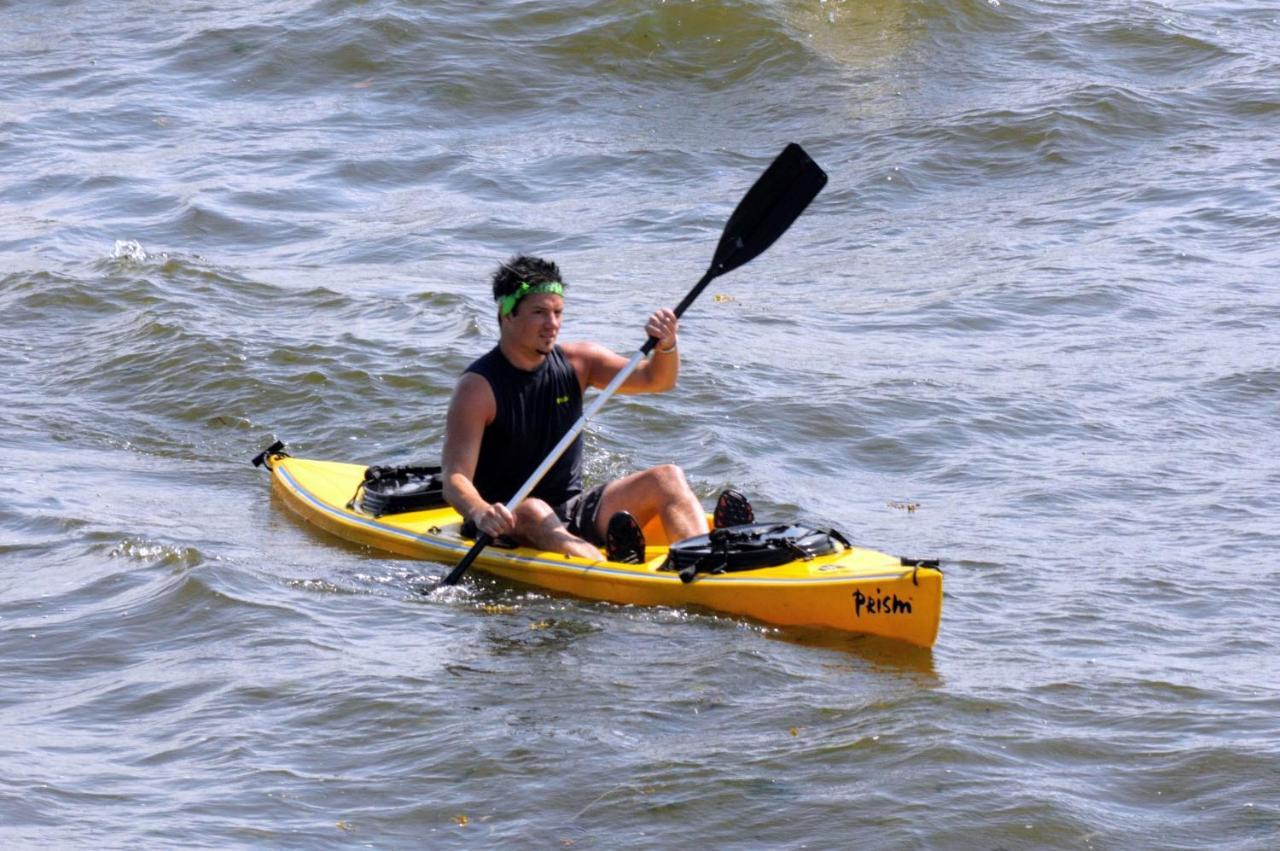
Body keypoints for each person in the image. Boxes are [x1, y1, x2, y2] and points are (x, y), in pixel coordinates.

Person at [441, 255, 713, 563]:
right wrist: (480, 512)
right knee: (533, 509)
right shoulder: (478, 388)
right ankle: (608, 569)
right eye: (539, 312)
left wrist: (667, 345)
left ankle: (702, 563)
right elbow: (454, 478)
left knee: (667, 478)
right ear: (507, 315)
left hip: (571, 510)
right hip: (505, 520)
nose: (552, 324)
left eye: (558, 312)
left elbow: (657, 379)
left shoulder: (579, 362)